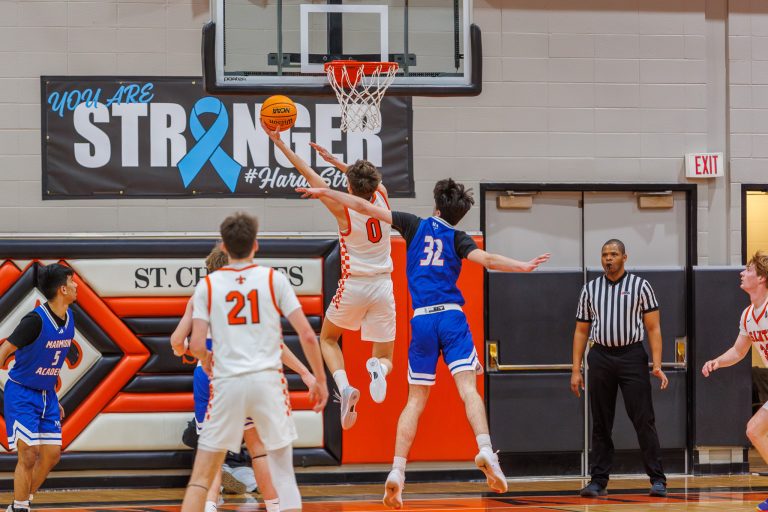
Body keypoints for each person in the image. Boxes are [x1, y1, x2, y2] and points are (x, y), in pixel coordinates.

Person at [296, 179, 550, 509]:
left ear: (436, 206)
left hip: (422, 320)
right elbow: (487, 259)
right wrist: (523, 265)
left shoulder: (413, 224)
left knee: (415, 400)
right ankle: (486, 449)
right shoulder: (459, 238)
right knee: (468, 390)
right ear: (458, 215)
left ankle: (397, 472)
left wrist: (326, 193)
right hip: (452, 318)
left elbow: (363, 206)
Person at [180, 213, 328, 512]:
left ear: (223, 245)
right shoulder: (274, 279)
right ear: (256, 245)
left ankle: (208, 506)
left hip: (224, 381)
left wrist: (204, 358)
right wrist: (318, 379)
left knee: (204, 472)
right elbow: (308, 337)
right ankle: (274, 506)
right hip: (266, 381)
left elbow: (190, 344)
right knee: (282, 471)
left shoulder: (207, 287)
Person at [263, 122, 396, 429]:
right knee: (385, 355)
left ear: (348, 188)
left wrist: (280, 144)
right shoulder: (384, 195)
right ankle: (378, 369)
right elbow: (367, 180)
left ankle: (346, 386)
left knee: (328, 339)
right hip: (384, 286)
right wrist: (339, 163)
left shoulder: (341, 208)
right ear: (374, 185)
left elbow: (309, 174)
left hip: (354, 284)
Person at [570, 239, 668, 498]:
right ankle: (598, 481)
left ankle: (658, 480)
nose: (608, 258)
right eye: (604, 254)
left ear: (625, 257)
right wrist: (576, 369)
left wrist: (657, 364)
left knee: (643, 419)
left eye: (613, 254)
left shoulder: (641, 286)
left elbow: (653, 328)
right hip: (600, 356)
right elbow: (581, 330)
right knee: (601, 422)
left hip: (632, 356)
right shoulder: (590, 289)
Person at [0, 263, 77, 512]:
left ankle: (20, 502)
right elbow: (4, 350)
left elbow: (48, 362)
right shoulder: (34, 320)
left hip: (47, 395)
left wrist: (52, 397)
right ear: (62, 289)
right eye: (72, 282)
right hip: (21, 392)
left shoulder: (69, 317)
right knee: (29, 453)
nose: (77, 286)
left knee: (52, 454)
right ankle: (21, 507)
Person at [702, 251, 768, 511]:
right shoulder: (748, 315)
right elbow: (739, 351)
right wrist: (717, 361)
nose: (742, 273)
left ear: (762, 277)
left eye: (748, 269)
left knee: (755, 428)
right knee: (754, 430)